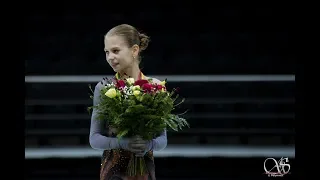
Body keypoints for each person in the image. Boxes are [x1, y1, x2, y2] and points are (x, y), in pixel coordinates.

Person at [89, 24, 168, 180]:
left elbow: (162, 140)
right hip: (113, 170)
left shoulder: (156, 86)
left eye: (115, 51)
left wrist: (148, 145)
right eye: (107, 52)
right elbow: (94, 139)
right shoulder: (104, 88)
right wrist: (123, 143)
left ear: (134, 50)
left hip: (144, 170)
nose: (110, 57)